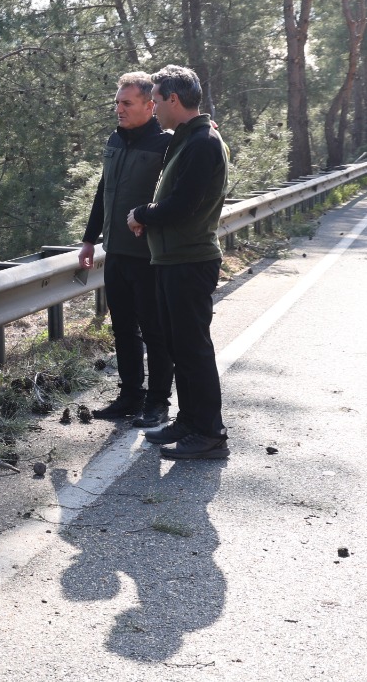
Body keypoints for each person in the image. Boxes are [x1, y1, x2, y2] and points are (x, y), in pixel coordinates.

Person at [125, 66, 230, 460]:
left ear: (172, 99)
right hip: (174, 260)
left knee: (193, 349)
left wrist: (142, 214)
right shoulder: (190, 138)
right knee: (179, 346)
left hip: (190, 260)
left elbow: (184, 204)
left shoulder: (203, 141)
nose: (151, 108)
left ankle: (210, 434)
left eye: (154, 99)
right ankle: (189, 422)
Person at [79, 72, 174, 426]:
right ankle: (130, 396)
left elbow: (172, 199)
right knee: (122, 329)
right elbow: (103, 192)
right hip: (115, 253)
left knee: (155, 331)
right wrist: (89, 240)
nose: (118, 109)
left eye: (126, 103)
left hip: (150, 256)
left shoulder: (166, 145)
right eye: (117, 102)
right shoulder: (114, 141)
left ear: (150, 106)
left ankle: (158, 402)